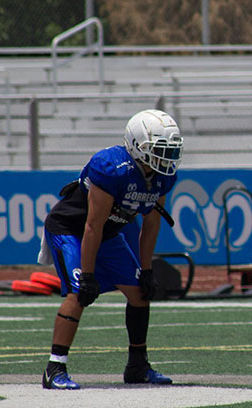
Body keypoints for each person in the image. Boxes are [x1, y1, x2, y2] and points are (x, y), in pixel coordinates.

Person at [38, 109, 183, 389]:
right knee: (80, 292)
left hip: (107, 233)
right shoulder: (111, 167)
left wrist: (147, 269)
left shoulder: (164, 177)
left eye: (170, 150)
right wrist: (89, 274)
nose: (167, 158)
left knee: (140, 293)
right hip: (72, 229)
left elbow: (151, 225)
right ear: (137, 145)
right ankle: (54, 368)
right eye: (159, 149)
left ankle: (137, 366)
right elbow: (91, 225)